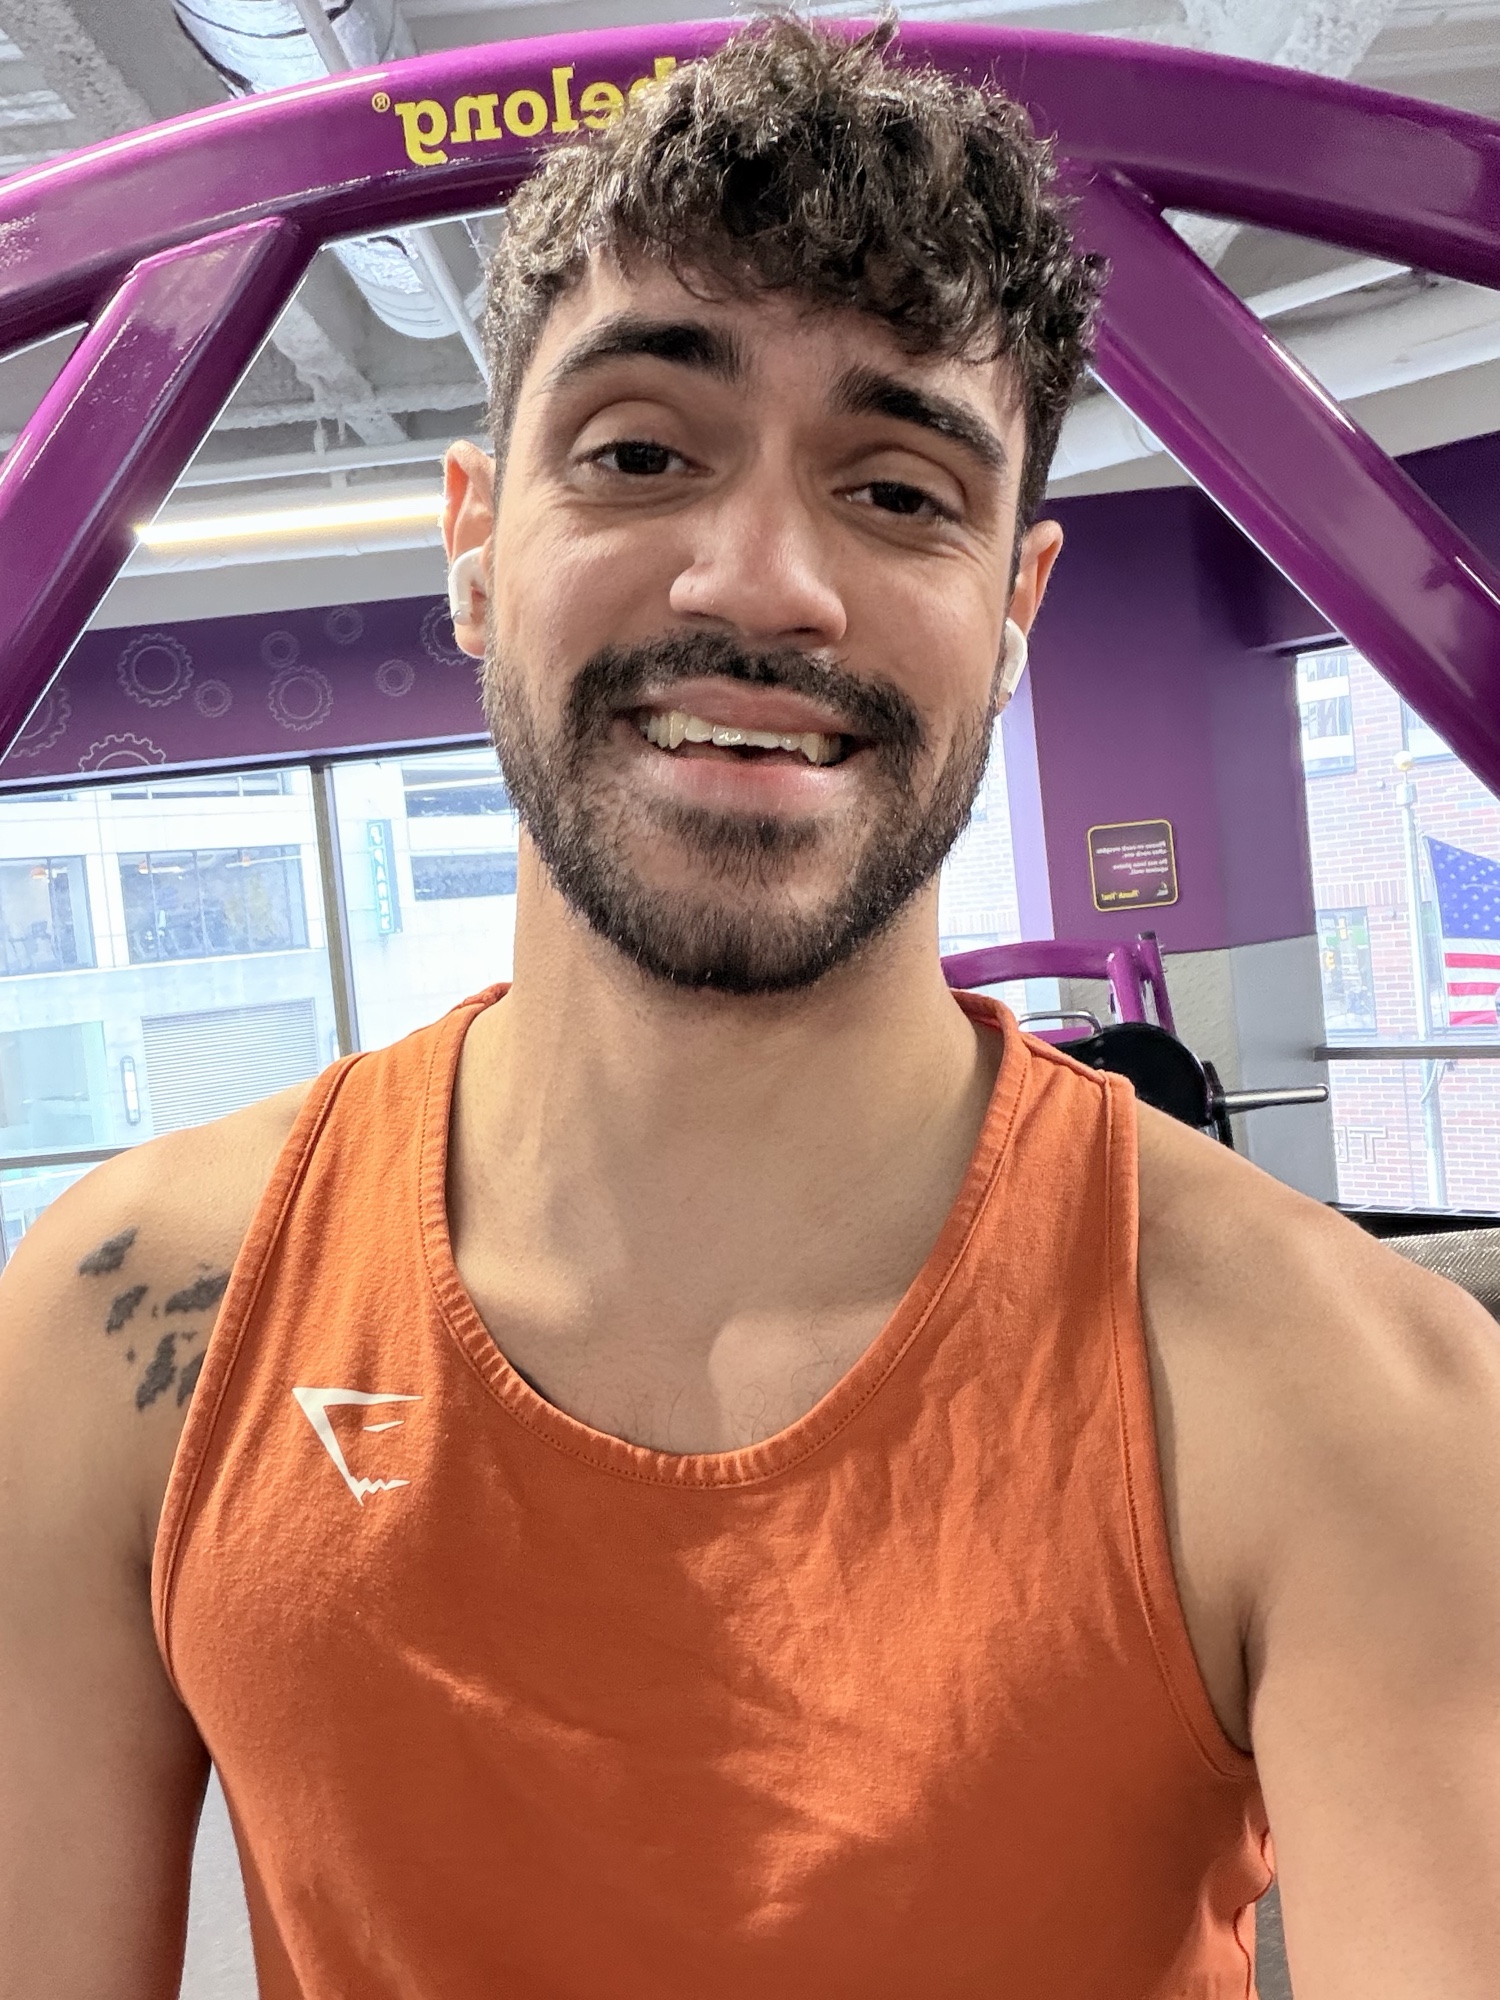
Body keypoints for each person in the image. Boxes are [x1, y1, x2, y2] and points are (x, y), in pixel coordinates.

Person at [2, 17, 1497, 1998]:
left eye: (899, 489)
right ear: (472, 542)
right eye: (640, 452)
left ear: (1018, 609)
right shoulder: (120, 1327)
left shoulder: (1349, 1396)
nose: (767, 578)